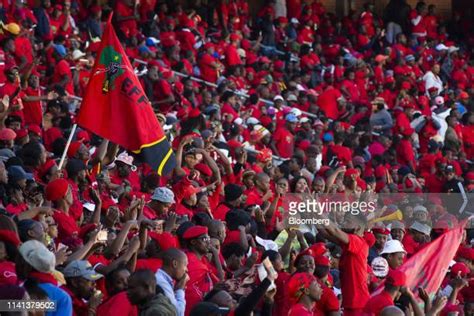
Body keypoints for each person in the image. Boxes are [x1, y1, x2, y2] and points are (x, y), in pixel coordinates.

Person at [155, 248, 189, 316]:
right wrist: (180, 289)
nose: (186, 270)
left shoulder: (163, 279)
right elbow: (178, 313)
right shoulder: (161, 281)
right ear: (175, 263)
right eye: (185, 265)